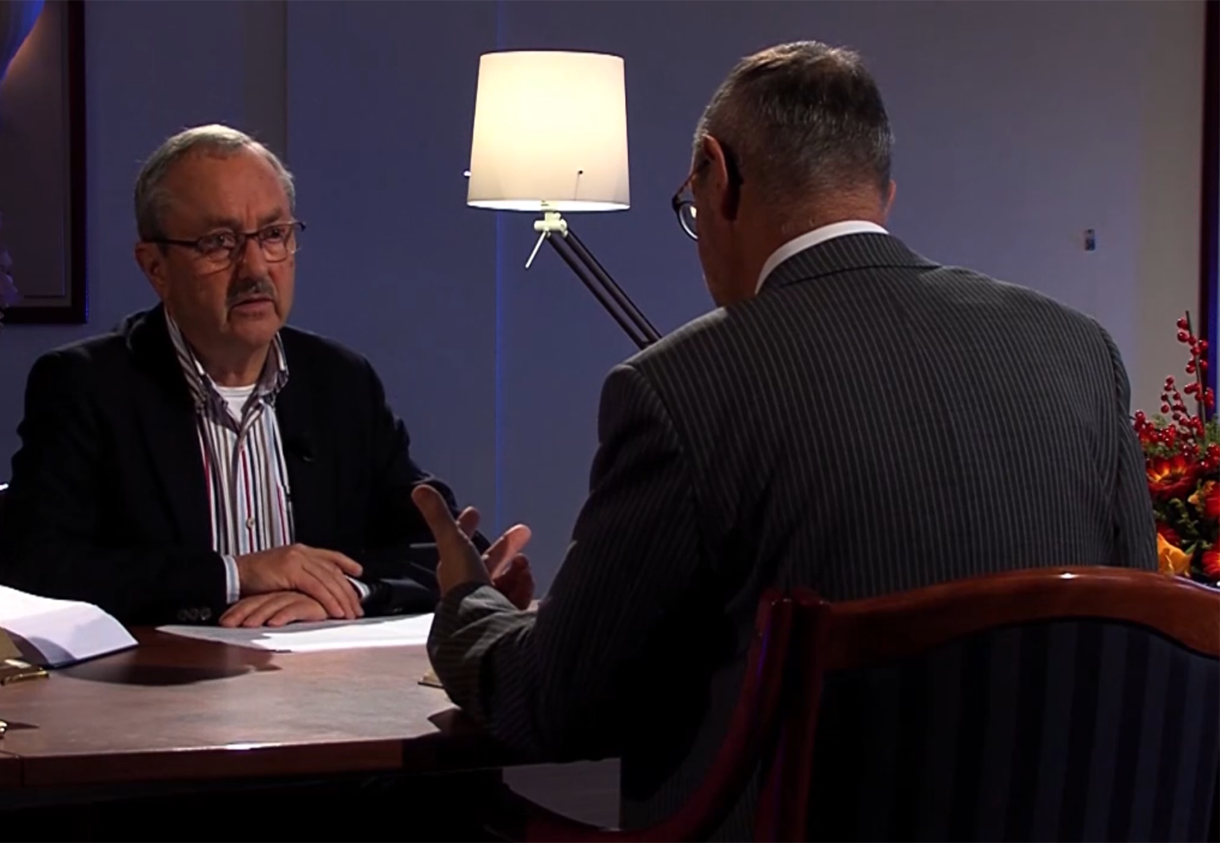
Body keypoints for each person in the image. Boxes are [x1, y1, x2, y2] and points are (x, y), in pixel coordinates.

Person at [414, 41, 1158, 839]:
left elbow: (553, 704)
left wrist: (466, 602)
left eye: (691, 207)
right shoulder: (1079, 350)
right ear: (882, 194)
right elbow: (1144, 642)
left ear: (716, 174)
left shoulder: (683, 388)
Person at [0, 124, 480, 628]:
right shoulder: (86, 386)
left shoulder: (341, 382)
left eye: (273, 236)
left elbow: (438, 544)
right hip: (163, 673)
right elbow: (35, 571)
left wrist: (343, 594)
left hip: (319, 671)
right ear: (155, 267)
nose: (255, 269)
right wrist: (235, 575)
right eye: (219, 242)